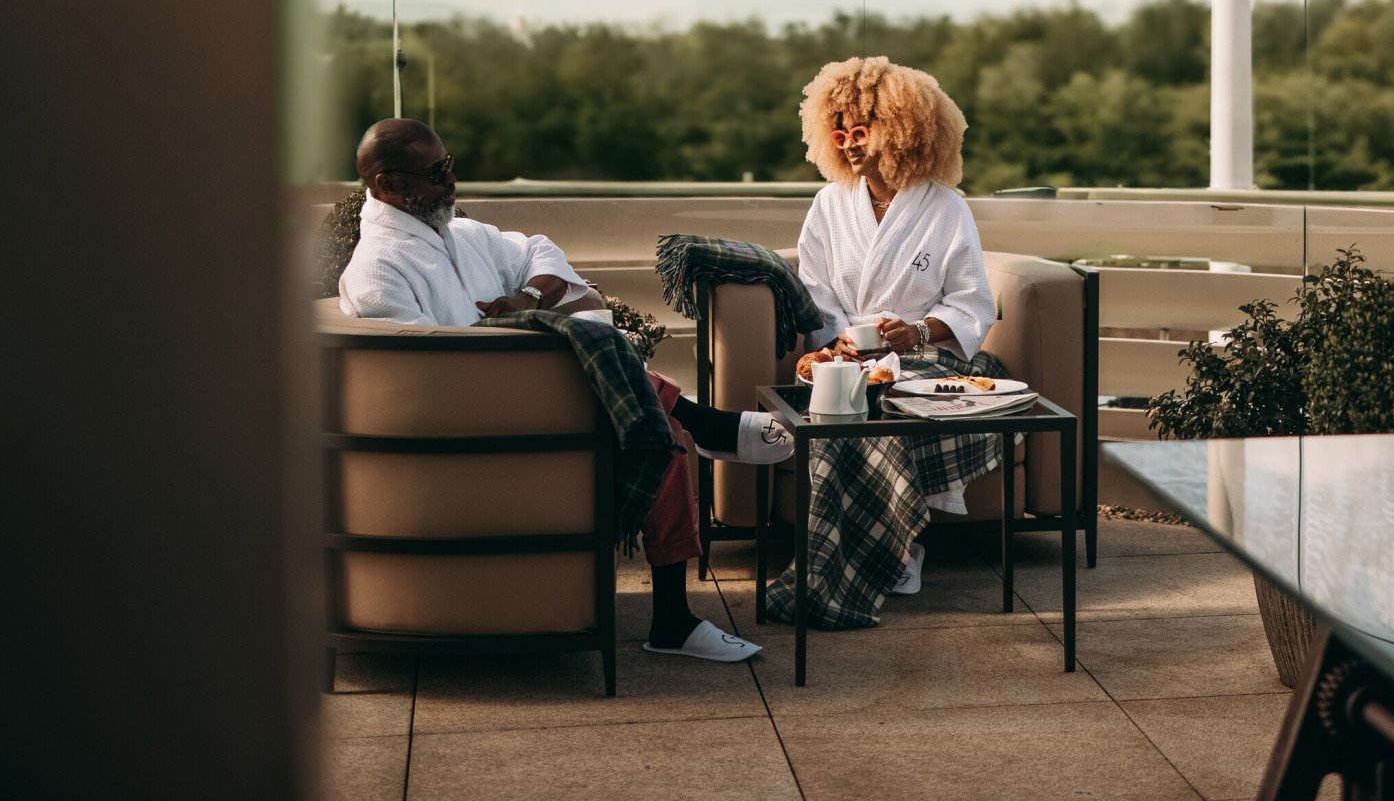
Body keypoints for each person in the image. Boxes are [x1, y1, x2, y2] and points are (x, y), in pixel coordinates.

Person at [337, 118, 792, 663]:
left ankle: (673, 617)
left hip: (530, 408)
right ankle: (710, 426)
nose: (452, 183)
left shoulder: (460, 234)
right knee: (594, 361)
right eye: (436, 174)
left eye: (451, 165)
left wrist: (529, 298)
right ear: (388, 186)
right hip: (471, 432)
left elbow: (537, 248)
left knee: (662, 435)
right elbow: (418, 382)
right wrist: (522, 345)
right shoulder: (377, 271)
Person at [767, 57, 1009, 627]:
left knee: (893, 401)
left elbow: (973, 301)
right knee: (843, 401)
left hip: (929, 353)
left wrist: (919, 330)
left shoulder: (947, 208)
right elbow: (815, 289)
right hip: (849, 353)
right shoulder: (829, 204)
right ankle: (894, 546)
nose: (849, 145)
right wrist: (841, 344)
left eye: (863, 131)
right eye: (840, 132)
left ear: (902, 130)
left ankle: (898, 545)